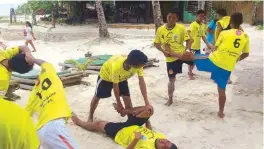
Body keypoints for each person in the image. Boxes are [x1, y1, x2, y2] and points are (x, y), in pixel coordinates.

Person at [195, 13, 249, 118]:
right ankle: (221, 112)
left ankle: (175, 56)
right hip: (227, 66)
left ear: (230, 22)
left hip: (215, 61)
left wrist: (208, 49)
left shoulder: (224, 33)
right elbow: (246, 54)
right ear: (241, 23)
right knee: (221, 89)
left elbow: (215, 48)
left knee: (193, 57)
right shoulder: (246, 36)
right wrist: (235, 59)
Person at [25, 56, 79, 149]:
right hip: (54, 125)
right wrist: (32, 59)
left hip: (39, 132)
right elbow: (43, 62)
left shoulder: (34, 93)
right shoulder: (50, 73)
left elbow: (26, 114)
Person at [72, 104, 178, 149]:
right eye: (167, 142)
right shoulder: (162, 138)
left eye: (164, 146)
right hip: (134, 125)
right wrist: (147, 122)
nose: (164, 142)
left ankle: (79, 122)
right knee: (149, 109)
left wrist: (136, 140)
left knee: (98, 124)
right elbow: (151, 133)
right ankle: (124, 110)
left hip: (121, 132)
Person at [88, 50, 151, 124]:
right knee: (97, 97)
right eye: (140, 65)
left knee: (127, 100)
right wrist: (119, 103)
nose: (142, 66)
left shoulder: (139, 65)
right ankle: (90, 116)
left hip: (122, 78)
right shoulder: (117, 67)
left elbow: (141, 82)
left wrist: (147, 102)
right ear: (132, 65)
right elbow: (115, 86)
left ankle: (130, 120)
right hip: (106, 77)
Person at [154, 10, 194, 106]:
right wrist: (163, 52)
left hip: (182, 54)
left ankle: (191, 73)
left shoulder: (181, 28)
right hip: (170, 59)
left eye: (174, 18)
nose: (171, 19)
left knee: (197, 60)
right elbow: (156, 43)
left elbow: (188, 40)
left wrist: (188, 50)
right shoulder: (160, 30)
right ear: (166, 17)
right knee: (171, 79)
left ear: (177, 19)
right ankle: (170, 99)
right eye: (169, 17)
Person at [188, 10, 213, 79]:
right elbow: (188, 31)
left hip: (198, 46)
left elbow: (203, 36)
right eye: (200, 16)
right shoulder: (193, 24)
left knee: (196, 60)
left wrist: (208, 44)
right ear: (196, 16)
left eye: (203, 16)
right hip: (192, 46)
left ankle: (190, 71)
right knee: (191, 60)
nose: (201, 18)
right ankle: (190, 73)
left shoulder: (202, 25)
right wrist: (190, 38)